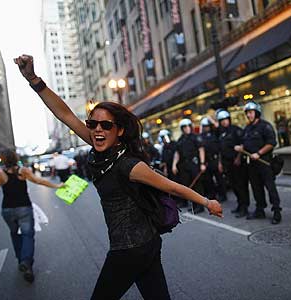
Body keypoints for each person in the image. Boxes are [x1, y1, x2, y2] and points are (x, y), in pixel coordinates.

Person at [14, 54, 222, 300]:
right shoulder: (98, 147)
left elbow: (173, 188)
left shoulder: (128, 165)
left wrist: (207, 202)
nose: (98, 129)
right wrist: (33, 79)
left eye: (106, 126)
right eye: (93, 125)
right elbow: (66, 115)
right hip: (145, 245)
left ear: (120, 131)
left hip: (130, 249)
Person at [0, 149, 63, 283]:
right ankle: (26, 262)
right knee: (28, 235)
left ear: (3, 160)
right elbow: (39, 181)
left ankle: (21, 261)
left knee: (15, 234)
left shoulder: (0, 174)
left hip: (7, 210)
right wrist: (57, 186)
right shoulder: (23, 171)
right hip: (24, 208)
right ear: (15, 158)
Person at [235, 101, 282, 224]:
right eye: (247, 113)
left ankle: (276, 211)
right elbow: (244, 144)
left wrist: (259, 153)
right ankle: (260, 209)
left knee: (270, 188)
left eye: (251, 112)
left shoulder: (265, 126)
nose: (249, 115)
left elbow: (271, 143)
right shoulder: (247, 129)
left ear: (257, 113)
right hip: (252, 164)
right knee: (256, 188)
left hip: (264, 162)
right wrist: (240, 151)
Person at [216, 110, 250, 218]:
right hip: (227, 164)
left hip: (237, 163)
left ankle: (244, 207)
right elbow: (220, 150)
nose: (224, 122)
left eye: (225, 120)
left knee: (241, 186)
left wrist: (238, 158)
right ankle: (240, 205)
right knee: (234, 186)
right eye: (222, 120)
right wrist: (220, 163)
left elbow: (242, 145)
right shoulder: (221, 133)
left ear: (229, 119)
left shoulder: (236, 130)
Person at [172, 118, 207, 213]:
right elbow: (177, 153)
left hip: (194, 164)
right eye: (184, 127)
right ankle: (194, 205)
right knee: (188, 186)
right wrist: (174, 165)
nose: (187, 128)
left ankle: (200, 206)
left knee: (197, 186)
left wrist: (202, 163)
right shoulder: (180, 139)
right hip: (184, 166)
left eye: (188, 126)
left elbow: (201, 150)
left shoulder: (195, 137)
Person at [200, 117, 227, 203]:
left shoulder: (215, 133)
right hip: (207, 161)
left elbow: (219, 128)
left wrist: (211, 120)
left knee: (219, 179)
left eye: (208, 126)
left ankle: (222, 195)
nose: (206, 128)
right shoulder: (201, 136)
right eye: (205, 126)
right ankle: (212, 195)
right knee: (209, 180)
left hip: (215, 159)